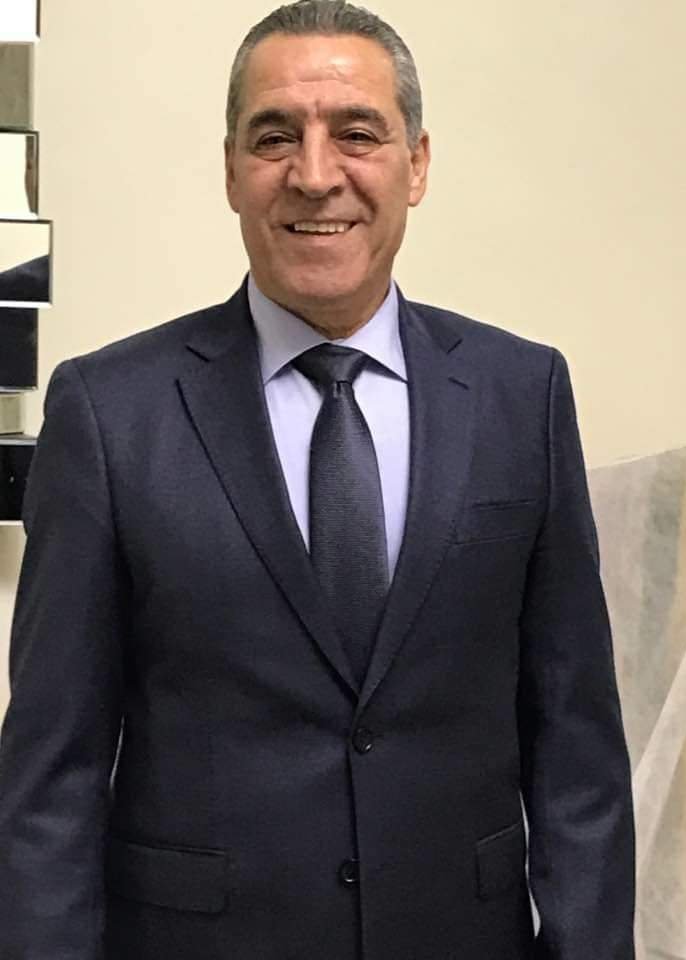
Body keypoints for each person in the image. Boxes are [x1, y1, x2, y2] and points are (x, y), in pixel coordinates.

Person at [0, 2, 635, 958]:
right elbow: (53, 777)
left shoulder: (523, 394)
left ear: (417, 164)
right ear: (230, 170)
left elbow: (577, 753)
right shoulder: (109, 412)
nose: (314, 173)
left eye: (357, 133)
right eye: (273, 137)